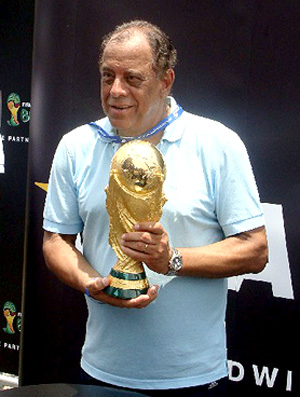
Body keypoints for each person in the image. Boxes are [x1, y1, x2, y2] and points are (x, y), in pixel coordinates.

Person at [42, 20, 268, 396]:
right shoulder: (75, 146)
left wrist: (172, 260)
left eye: (133, 78)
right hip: (102, 373)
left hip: (193, 380)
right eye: (107, 75)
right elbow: (55, 242)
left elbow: (255, 249)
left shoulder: (217, 144)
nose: (116, 90)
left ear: (166, 81)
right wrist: (90, 283)